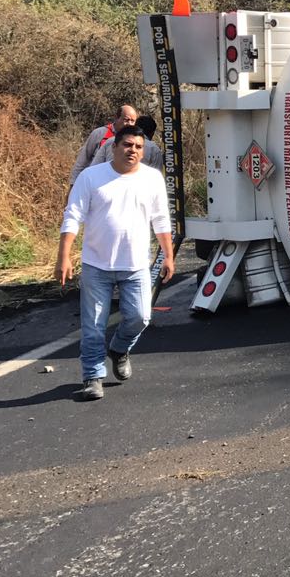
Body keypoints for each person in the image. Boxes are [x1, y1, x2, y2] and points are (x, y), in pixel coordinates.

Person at [56, 124, 175, 401]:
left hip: (135, 265)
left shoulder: (151, 179)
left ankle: (120, 349)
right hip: (96, 265)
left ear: (143, 151)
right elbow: (73, 215)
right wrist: (64, 256)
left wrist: (168, 255)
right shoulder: (92, 177)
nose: (132, 150)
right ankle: (93, 376)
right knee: (93, 325)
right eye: (127, 145)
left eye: (138, 147)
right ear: (114, 147)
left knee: (140, 317)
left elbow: (160, 219)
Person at [70, 104, 138, 184]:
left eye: (132, 121)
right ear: (116, 118)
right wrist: (73, 184)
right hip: (94, 182)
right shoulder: (99, 133)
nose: (129, 124)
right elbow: (82, 160)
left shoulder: (136, 141)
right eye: (126, 120)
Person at [90, 113, 164, 171]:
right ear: (152, 133)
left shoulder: (111, 141)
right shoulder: (154, 149)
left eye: (138, 147)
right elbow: (154, 178)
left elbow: (94, 167)